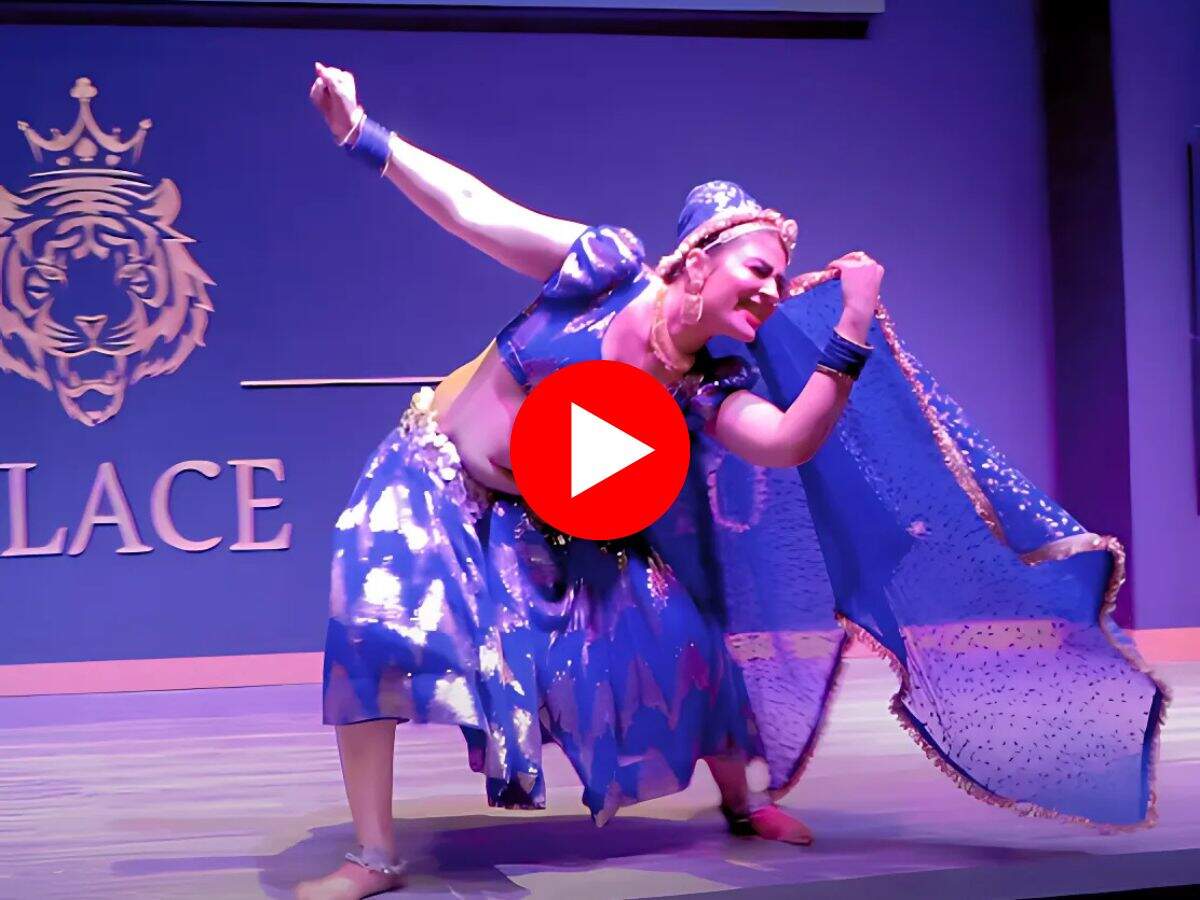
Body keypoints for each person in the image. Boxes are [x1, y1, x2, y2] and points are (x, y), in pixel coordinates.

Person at [300, 62, 1167, 899]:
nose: (772, 291)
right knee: (374, 619)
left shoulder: (706, 382)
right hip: (434, 474)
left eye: (780, 280)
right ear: (698, 260)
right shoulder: (602, 272)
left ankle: (742, 802)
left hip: (544, 525)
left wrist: (852, 326)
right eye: (758, 270)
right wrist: (365, 136)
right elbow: (473, 210)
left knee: (686, 643)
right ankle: (375, 855)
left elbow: (786, 443)